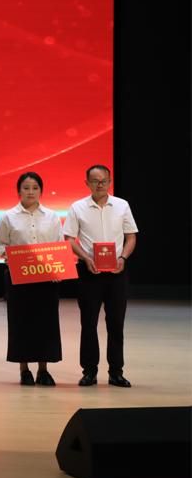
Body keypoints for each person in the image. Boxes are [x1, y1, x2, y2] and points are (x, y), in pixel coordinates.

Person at [63, 165, 139, 388]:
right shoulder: (77, 207)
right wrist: (86, 258)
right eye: (95, 181)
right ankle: (89, 371)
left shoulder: (122, 205)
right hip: (89, 272)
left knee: (116, 324)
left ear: (110, 181)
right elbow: (69, 238)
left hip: (116, 272)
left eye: (104, 180)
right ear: (87, 183)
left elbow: (131, 237)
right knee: (88, 323)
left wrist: (123, 258)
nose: (100, 184)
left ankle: (116, 372)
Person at [0, 172, 63, 386]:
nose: (30, 192)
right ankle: (24, 370)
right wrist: (11, 258)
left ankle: (43, 370)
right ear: (19, 191)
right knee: (20, 322)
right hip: (19, 278)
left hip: (46, 278)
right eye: (26, 188)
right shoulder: (8, 216)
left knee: (46, 323)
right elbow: (0, 245)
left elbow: (59, 245)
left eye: (35, 188)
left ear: (41, 191)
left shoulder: (52, 216)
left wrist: (58, 269)